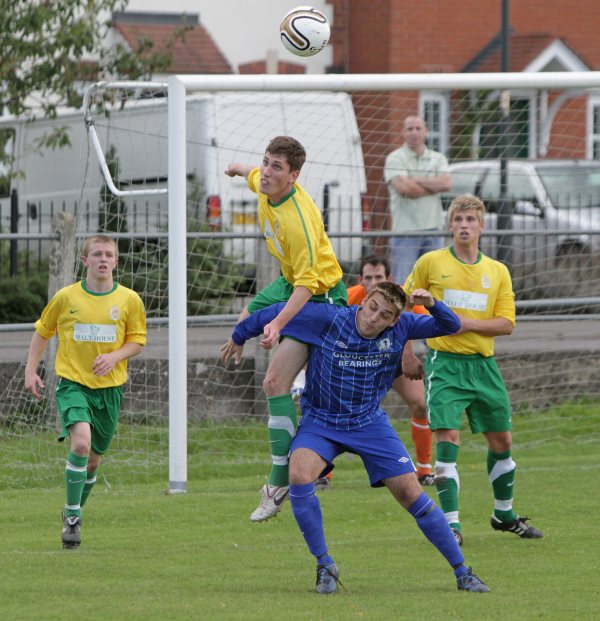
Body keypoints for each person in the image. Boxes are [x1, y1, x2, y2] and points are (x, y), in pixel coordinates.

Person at [224, 282, 489, 594]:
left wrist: (431, 303)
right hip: (321, 422)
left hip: (368, 423)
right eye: (372, 307)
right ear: (364, 301)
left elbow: (451, 325)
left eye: (385, 315)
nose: (374, 317)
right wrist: (238, 337)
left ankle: (463, 571)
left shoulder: (403, 326)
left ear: (394, 320)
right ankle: (324, 565)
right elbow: (272, 313)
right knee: (298, 473)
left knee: (410, 492)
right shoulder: (327, 318)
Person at [404, 194, 543, 546]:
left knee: (502, 440)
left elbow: (507, 323)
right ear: (450, 226)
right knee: (448, 439)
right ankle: (451, 525)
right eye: (458, 219)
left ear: (481, 226)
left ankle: (504, 514)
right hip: (445, 364)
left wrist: (462, 322)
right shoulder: (431, 263)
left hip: (483, 366)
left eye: (470, 220)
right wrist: (405, 352)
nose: (464, 225)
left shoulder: (496, 271)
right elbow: (402, 306)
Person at [220, 136, 347, 522]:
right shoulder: (265, 183)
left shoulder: (299, 220)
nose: (267, 172)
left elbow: (310, 284)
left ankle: (278, 482)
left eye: (277, 167)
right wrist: (239, 168)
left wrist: (277, 322)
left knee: (275, 382)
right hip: (289, 283)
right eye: (266, 162)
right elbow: (250, 172)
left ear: (293, 177)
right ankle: (296, 470)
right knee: (246, 317)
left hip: (321, 297)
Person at [24, 235, 146, 549]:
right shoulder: (66, 297)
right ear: (85, 261)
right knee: (80, 444)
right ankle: (74, 519)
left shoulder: (129, 300)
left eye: (109, 254)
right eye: (97, 254)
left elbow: (137, 341)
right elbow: (42, 331)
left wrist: (115, 356)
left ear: (116, 261)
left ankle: (72, 508)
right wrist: (30, 370)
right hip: (72, 384)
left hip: (110, 391)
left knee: (93, 461)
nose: (103, 259)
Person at [346, 254, 434, 485]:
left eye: (379, 277)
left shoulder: (402, 298)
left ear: (389, 279)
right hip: (360, 367)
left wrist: (410, 354)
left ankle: (424, 470)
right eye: (368, 277)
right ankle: (323, 475)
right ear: (360, 279)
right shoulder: (350, 297)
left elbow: (419, 324)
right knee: (337, 410)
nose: (373, 282)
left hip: (393, 363)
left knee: (421, 404)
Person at [384, 114, 452, 284]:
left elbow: (446, 184)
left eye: (418, 128)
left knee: (435, 283)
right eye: (410, 129)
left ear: (426, 131)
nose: (414, 132)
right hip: (405, 231)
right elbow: (404, 188)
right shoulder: (395, 158)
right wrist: (431, 185)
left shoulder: (438, 158)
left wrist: (416, 179)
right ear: (403, 132)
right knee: (403, 284)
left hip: (434, 229)